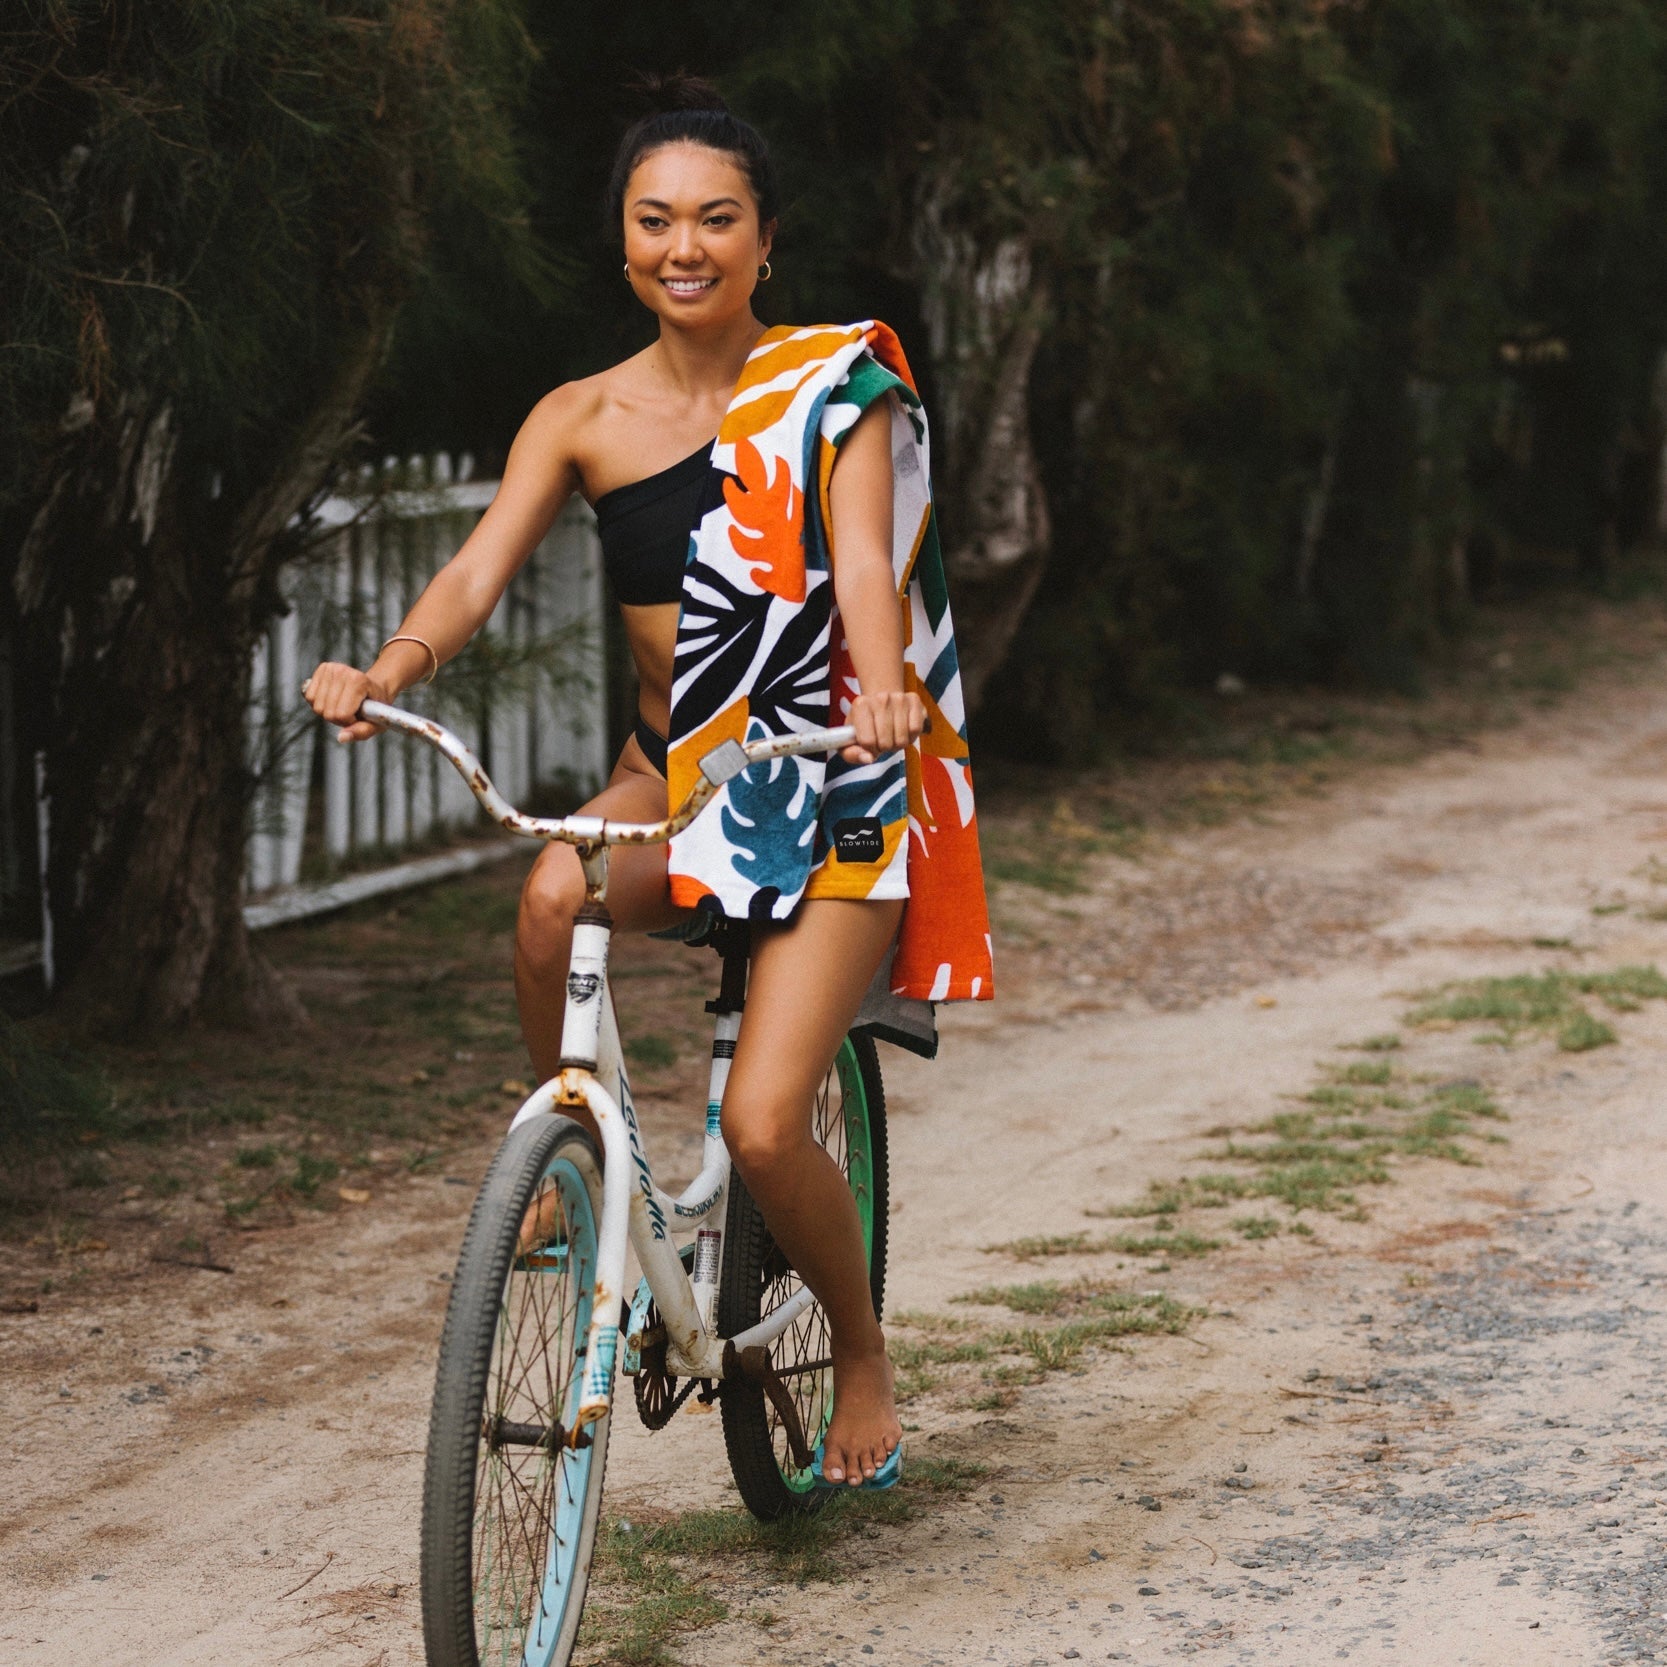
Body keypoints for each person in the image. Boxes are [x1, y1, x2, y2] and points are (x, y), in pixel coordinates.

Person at [303, 75, 991, 1489]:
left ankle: (862, 1356)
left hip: (825, 786)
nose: (687, 247)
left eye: (717, 220)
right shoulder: (583, 415)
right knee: (547, 899)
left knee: (762, 1125)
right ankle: (582, 1178)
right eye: (656, 220)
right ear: (623, 240)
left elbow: (866, 564)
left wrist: (879, 692)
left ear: (766, 242)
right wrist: (388, 667)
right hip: (667, 786)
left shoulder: (831, 391)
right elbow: (474, 573)